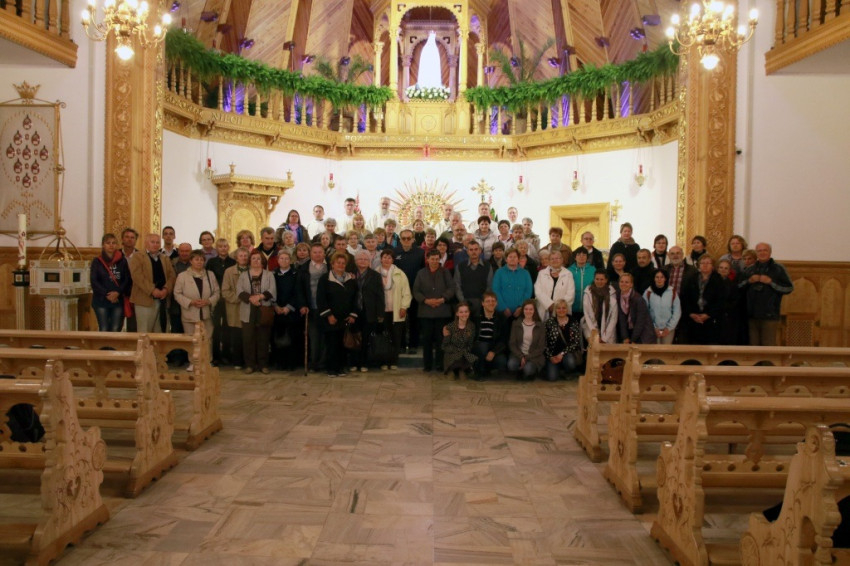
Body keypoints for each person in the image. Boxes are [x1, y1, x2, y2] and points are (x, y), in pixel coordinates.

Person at [739, 242, 794, 346]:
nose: (762, 253)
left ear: (770, 252)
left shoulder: (778, 268)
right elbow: (739, 287)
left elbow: (789, 288)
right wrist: (749, 281)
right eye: (759, 251)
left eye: (765, 250)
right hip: (751, 315)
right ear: (756, 253)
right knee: (753, 347)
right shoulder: (750, 269)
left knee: (768, 347)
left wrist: (771, 282)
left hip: (770, 315)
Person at [174, 250, 220, 369]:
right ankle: (193, 362)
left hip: (206, 312)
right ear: (191, 261)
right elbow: (177, 294)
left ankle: (207, 361)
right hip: (190, 313)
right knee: (192, 339)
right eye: (196, 259)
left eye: (201, 259)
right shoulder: (182, 276)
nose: (199, 262)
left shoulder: (210, 275)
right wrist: (191, 302)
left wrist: (208, 301)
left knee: (207, 339)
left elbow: (217, 292)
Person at [412, 249, 455, 372]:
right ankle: (427, 365)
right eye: (432, 259)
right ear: (427, 259)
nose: (435, 261)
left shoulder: (445, 272)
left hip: (442, 311)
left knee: (441, 340)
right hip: (425, 311)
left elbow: (451, 288)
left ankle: (440, 364)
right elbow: (416, 290)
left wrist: (442, 299)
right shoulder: (421, 273)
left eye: (437, 259)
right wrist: (426, 300)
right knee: (427, 340)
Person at [317, 252, 357, 377]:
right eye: (338, 263)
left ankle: (340, 368)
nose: (341, 265)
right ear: (332, 264)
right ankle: (331, 369)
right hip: (331, 318)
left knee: (342, 344)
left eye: (343, 263)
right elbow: (321, 299)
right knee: (332, 344)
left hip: (345, 318)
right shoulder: (325, 279)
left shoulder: (351, 279)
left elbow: (355, 298)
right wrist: (329, 315)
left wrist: (353, 314)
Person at [237, 249, 276, 374]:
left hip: (263, 309)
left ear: (262, 261)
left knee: (263, 338)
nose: (256, 261)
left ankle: (263, 365)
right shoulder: (243, 275)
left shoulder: (269, 275)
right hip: (248, 310)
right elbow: (239, 291)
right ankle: (250, 365)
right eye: (253, 258)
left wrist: (259, 297)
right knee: (248, 338)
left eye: (258, 258)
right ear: (250, 261)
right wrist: (251, 298)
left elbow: (272, 290)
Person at [129, 233, 176, 332]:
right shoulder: (137, 256)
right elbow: (137, 276)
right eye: (152, 242)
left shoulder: (164, 258)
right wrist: (152, 290)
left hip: (162, 300)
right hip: (144, 300)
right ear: (146, 243)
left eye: (157, 242)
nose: (155, 244)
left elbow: (172, 276)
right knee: (144, 331)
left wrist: (166, 289)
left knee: (161, 331)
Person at [297, 242, 329, 372]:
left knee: (326, 337)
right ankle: (314, 363)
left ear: (324, 253)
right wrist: (302, 305)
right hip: (311, 308)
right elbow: (299, 289)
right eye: (315, 252)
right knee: (314, 337)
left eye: (320, 252)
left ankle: (324, 363)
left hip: (327, 308)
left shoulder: (330, 267)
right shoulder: (303, 269)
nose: (317, 255)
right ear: (310, 254)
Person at [90, 233, 131, 332]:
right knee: (104, 328)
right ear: (103, 245)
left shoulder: (122, 261)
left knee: (116, 328)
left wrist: (117, 292)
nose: (111, 245)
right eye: (108, 243)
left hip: (118, 300)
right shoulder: (97, 261)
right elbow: (94, 281)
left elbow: (127, 279)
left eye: (113, 243)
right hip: (101, 300)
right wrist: (107, 294)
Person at [378, 249, 411, 370]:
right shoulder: (375, 273)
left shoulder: (400, 273)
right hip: (382, 311)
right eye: (384, 257)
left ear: (393, 260)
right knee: (383, 338)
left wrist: (404, 307)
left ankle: (393, 361)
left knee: (396, 337)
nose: (387, 259)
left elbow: (406, 292)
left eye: (389, 257)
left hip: (397, 310)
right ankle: (384, 362)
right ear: (381, 259)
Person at [352, 250, 385, 372]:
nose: (363, 261)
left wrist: (380, 314)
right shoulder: (350, 274)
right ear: (356, 261)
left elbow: (380, 296)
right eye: (360, 259)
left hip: (369, 311)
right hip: (354, 311)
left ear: (369, 261)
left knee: (366, 339)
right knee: (354, 338)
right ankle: (354, 363)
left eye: (365, 259)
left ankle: (364, 363)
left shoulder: (375, 275)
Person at [681, 255, 723, 344]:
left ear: (713, 266)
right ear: (699, 265)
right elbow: (685, 297)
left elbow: (720, 300)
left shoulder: (718, 280)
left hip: (711, 319)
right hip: (693, 318)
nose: (705, 265)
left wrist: (708, 314)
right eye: (702, 263)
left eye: (708, 263)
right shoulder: (691, 278)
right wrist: (691, 313)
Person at [394, 229, 425, 353]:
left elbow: (423, 271)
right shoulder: (394, 252)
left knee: (414, 320)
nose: (406, 240)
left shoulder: (420, 252)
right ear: (400, 240)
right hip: (398, 292)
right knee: (399, 319)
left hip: (415, 290)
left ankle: (413, 345)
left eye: (409, 238)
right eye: (404, 238)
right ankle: (400, 345)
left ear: (413, 239)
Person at [206, 238, 236, 365]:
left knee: (228, 327)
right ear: (216, 248)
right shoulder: (211, 262)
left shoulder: (233, 262)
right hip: (216, 298)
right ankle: (216, 356)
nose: (223, 248)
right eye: (220, 246)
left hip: (229, 299)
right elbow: (208, 280)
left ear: (228, 247)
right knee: (216, 327)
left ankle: (227, 355)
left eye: (225, 246)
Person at [272, 249, 300, 371]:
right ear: (278, 260)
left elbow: (298, 292)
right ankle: (279, 362)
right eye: (281, 258)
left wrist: (288, 307)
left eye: (286, 258)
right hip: (277, 310)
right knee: (278, 336)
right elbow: (271, 291)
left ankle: (291, 363)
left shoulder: (296, 274)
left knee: (292, 337)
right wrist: (275, 306)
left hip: (291, 311)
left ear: (290, 260)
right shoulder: (273, 274)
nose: (284, 261)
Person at [221, 248, 249, 369]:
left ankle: (248, 361)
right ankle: (237, 361)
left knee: (248, 336)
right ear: (236, 258)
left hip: (250, 307)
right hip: (234, 307)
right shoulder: (229, 271)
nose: (243, 258)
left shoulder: (253, 270)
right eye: (241, 256)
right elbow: (225, 291)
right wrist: (241, 298)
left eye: (245, 255)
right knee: (237, 336)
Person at [472, 291, 508, 380]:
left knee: (502, 361)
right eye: (488, 301)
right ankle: (479, 372)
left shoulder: (501, 317)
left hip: (493, 347)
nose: (491, 303)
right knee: (483, 346)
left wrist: (494, 351)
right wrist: (448, 328)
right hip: (478, 347)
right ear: (482, 303)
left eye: (493, 301)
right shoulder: (475, 316)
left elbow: (503, 339)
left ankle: (486, 369)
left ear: (496, 303)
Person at [544, 299, 582, 381]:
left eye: (564, 308)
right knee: (552, 378)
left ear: (567, 309)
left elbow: (575, 343)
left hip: (567, 354)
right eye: (559, 308)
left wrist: (562, 354)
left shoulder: (573, 322)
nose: (561, 310)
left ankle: (567, 372)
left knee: (570, 362)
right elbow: (544, 342)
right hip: (553, 354)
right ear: (555, 310)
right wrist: (550, 356)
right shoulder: (549, 322)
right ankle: (557, 369)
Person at [507, 300, 545, 381]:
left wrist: (527, 357)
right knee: (511, 365)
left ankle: (530, 372)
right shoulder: (516, 324)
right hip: (519, 355)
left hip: (534, 356)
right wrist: (521, 357)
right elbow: (512, 344)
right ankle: (520, 370)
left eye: (531, 309)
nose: (528, 311)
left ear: (534, 311)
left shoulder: (540, 326)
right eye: (526, 309)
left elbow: (541, 347)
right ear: (523, 310)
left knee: (528, 369)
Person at [534, 248, 575, 322]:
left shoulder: (568, 274)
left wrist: (558, 307)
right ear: (549, 261)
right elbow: (538, 291)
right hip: (544, 309)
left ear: (562, 260)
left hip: (562, 310)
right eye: (552, 259)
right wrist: (549, 304)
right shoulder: (542, 273)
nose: (555, 260)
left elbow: (570, 293)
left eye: (557, 258)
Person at [492, 247, 533, 322]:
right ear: (506, 259)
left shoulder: (525, 273)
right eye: (510, 257)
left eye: (515, 257)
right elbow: (496, 290)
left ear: (518, 259)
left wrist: (521, 307)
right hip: (503, 312)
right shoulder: (499, 272)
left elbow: (528, 291)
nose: (512, 259)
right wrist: (503, 308)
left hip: (521, 312)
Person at [615, 272, 655, 344]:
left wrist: (633, 339)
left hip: (643, 334)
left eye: (626, 282)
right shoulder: (618, 296)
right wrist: (625, 337)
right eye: (622, 282)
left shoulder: (638, 299)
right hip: (629, 331)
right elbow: (621, 319)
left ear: (631, 284)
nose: (623, 284)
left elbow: (640, 322)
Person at [453, 240, 492, 316]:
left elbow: (489, 285)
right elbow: (457, 285)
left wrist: (484, 301)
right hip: (464, 303)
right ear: (467, 251)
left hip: (482, 303)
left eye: (476, 249)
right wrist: (463, 301)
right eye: (471, 250)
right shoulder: (460, 266)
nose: (473, 252)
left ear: (480, 251)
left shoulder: (487, 265)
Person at [643, 269, 681, 344]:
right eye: (657, 277)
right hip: (652, 329)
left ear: (665, 279)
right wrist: (653, 327)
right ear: (654, 279)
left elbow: (677, 311)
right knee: (653, 350)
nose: (659, 279)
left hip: (668, 330)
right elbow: (645, 312)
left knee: (666, 350)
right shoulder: (648, 293)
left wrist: (669, 328)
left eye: (662, 277)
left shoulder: (672, 292)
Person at [442, 302, 477, 378]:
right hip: (452, 354)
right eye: (461, 312)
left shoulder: (472, 326)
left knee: (464, 376)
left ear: (469, 313)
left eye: (466, 311)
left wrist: (464, 351)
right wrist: (457, 350)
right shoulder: (449, 327)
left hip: (465, 354)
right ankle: (453, 370)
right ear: (457, 313)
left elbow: (470, 344)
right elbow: (444, 346)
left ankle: (463, 370)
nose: (464, 314)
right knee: (452, 375)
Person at [582, 271, 618, 344]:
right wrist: (595, 333)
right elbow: (586, 314)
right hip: (591, 327)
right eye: (597, 279)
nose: (599, 281)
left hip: (608, 331)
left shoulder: (612, 293)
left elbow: (613, 318)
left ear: (606, 280)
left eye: (602, 279)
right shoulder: (588, 292)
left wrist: (605, 338)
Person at [716, 259, 745, 345]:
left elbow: (734, 302)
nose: (723, 270)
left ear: (729, 271)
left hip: (726, 318)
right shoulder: (711, 282)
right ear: (717, 269)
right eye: (721, 267)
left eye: (726, 268)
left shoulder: (733, 285)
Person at [568, 247, 595, 326]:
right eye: (579, 255)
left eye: (584, 255)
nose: (581, 257)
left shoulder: (593, 270)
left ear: (587, 257)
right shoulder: (569, 270)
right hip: (572, 307)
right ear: (575, 257)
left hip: (588, 307)